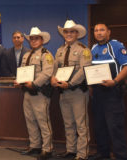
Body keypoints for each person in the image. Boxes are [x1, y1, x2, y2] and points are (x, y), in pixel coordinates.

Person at [51, 20, 91, 160]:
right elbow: (55, 68)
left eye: (71, 32)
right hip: (63, 92)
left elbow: (83, 70)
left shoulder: (83, 50)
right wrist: (53, 78)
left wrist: (71, 83)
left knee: (81, 125)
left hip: (78, 92)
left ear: (77, 34)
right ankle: (71, 150)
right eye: (66, 32)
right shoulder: (60, 50)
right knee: (68, 123)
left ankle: (82, 154)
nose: (68, 34)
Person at [90, 23, 127, 160]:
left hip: (112, 92)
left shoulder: (116, 45)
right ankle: (104, 154)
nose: (99, 32)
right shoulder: (94, 48)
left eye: (102, 30)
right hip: (97, 93)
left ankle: (121, 156)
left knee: (115, 127)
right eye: (96, 30)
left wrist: (114, 82)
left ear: (108, 32)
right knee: (100, 126)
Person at [16, 27, 54, 160]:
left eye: (36, 38)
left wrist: (34, 83)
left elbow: (47, 73)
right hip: (27, 92)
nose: (33, 41)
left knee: (43, 121)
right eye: (31, 39)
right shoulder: (26, 55)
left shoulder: (46, 54)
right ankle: (35, 146)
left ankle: (47, 149)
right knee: (30, 120)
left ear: (42, 40)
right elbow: (22, 71)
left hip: (40, 92)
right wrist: (18, 80)